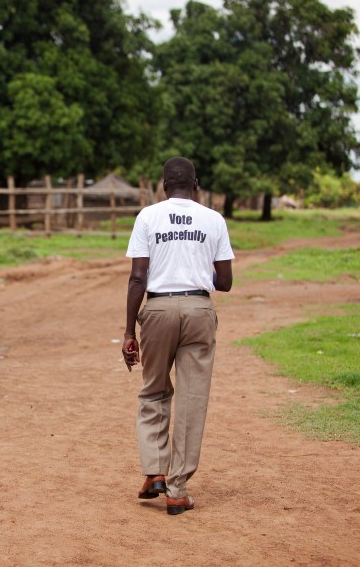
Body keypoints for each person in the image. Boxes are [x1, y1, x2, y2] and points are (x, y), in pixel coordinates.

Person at [121, 157, 234, 516]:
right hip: (199, 310)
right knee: (191, 398)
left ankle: (154, 471)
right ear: (195, 185)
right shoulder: (213, 219)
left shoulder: (148, 217)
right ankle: (177, 489)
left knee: (153, 390)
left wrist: (128, 331)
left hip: (157, 310)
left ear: (164, 185)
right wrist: (197, 271)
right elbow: (226, 281)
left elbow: (138, 278)